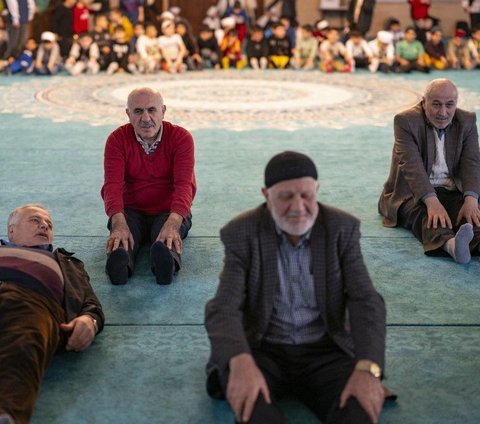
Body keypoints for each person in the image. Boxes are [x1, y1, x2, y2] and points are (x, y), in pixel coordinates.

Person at [205, 151, 390, 423]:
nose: (298, 206)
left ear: (317, 191)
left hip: (326, 351)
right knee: (253, 411)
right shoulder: (242, 233)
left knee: (358, 411)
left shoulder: (341, 229)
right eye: (286, 196)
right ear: (266, 195)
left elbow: (366, 301)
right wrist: (240, 360)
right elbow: (223, 307)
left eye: (306, 195)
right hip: (263, 350)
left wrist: (368, 368)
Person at [0, 204, 104, 424]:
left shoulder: (67, 263)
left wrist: (89, 321)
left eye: (49, 224)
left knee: (23, 343)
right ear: (11, 230)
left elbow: (90, 302)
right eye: (35, 220)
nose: (44, 225)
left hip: (31, 302)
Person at [101, 87, 196, 285]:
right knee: (122, 238)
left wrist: (173, 222)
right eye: (138, 111)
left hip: (168, 210)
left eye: (151, 110)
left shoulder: (181, 138)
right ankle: (120, 265)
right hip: (131, 209)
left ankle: (166, 264)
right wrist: (118, 222)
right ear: (128, 114)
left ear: (163, 111)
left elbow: (184, 186)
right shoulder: (116, 140)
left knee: (167, 238)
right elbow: (112, 185)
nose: (145, 118)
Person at [379, 79, 480, 264]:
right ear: (424, 102)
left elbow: (471, 162)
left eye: (449, 105)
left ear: (456, 104)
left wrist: (471, 199)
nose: (443, 112)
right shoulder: (405, 121)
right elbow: (411, 166)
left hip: (451, 189)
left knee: (473, 217)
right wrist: (431, 201)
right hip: (411, 192)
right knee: (429, 217)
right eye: (436, 104)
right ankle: (451, 245)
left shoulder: (467, 120)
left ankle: (471, 242)